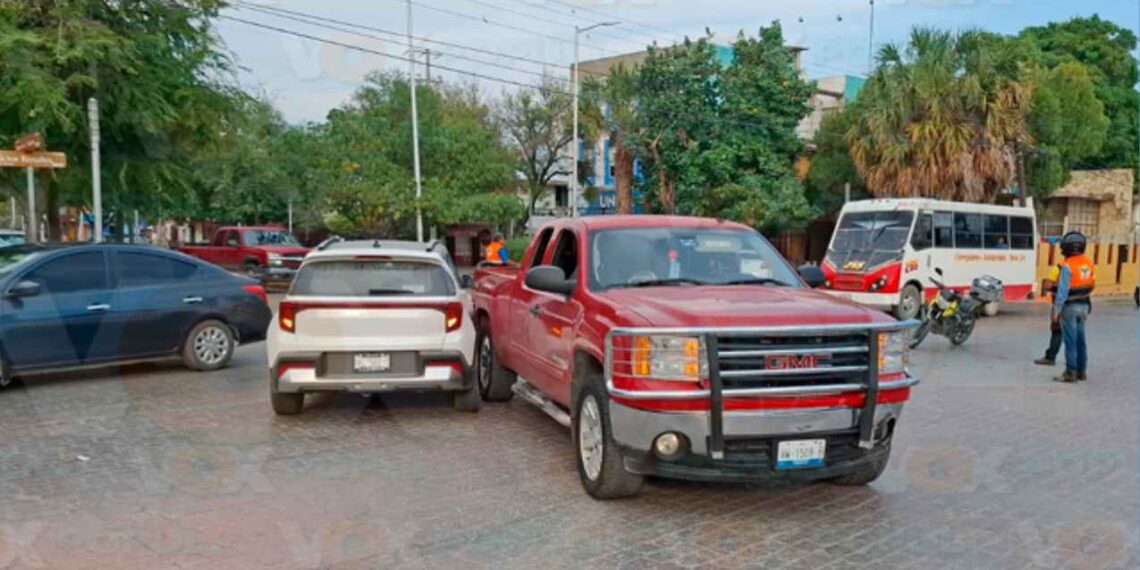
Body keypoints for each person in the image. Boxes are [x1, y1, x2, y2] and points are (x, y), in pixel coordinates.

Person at [1052, 231, 1095, 383]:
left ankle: (1071, 372)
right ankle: (1082, 371)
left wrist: (1056, 311)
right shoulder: (1089, 263)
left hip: (1069, 308)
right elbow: (1091, 285)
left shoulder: (1067, 266)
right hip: (1084, 307)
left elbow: (1062, 291)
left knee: (1070, 341)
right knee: (1081, 341)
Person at [1033, 263, 1064, 366]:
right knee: (1076, 334)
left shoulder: (1060, 267)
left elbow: (1048, 285)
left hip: (1061, 304)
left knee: (1057, 331)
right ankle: (1078, 364)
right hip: (1079, 303)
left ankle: (1050, 357)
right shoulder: (1085, 265)